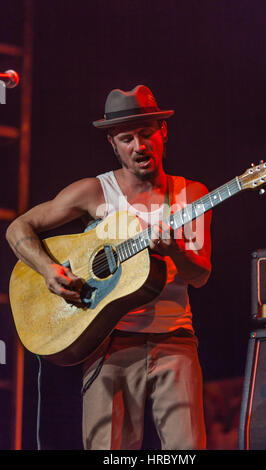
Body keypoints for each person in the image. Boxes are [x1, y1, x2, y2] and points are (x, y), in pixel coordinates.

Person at [6, 85, 212, 450]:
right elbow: (18, 228)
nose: (139, 146)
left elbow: (200, 275)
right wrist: (50, 272)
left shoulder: (190, 195)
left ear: (163, 132)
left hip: (175, 341)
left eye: (147, 134)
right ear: (113, 144)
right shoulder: (94, 192)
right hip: (109, 342)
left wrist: (176, 251)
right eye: (127, 138)